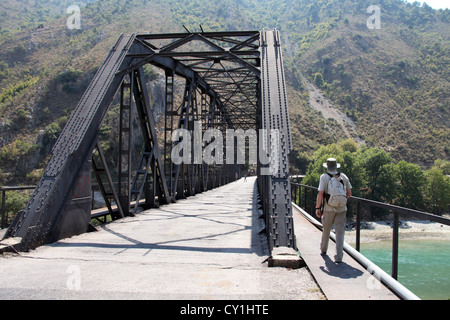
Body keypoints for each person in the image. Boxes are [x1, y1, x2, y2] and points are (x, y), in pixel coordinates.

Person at [315, 158, 352, 263]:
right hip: (342, 209)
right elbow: (349, 193)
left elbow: (321, 194)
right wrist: (340, 201)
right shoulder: (343, 176)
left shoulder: (324, 177)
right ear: (336, 167)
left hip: (328, 208)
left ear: (327, 167)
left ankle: (323, 249)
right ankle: (339, 257)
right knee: (340, 232)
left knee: (326, 229)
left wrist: (318, 208)